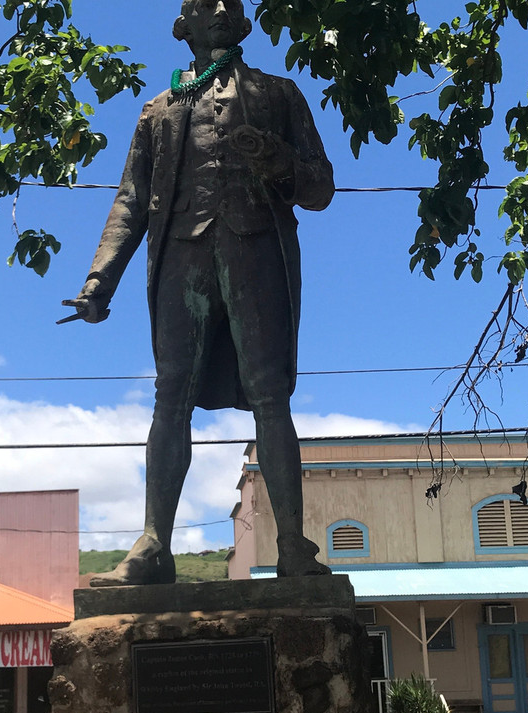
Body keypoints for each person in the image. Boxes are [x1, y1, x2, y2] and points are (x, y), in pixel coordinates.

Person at [67, 0, 334, 586]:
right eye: (202, 3)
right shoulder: (158, 110)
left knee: (271, 398)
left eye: (229, 3)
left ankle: (292, 545)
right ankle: (154, 543)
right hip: (182, 257)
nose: (217, 9)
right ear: (182, 25)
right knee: (170, 399)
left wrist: (276, 158)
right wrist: (98, 281)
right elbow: (130, 201)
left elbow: (319, 188)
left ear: (242, 23)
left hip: (255, 251)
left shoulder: (278, 94)